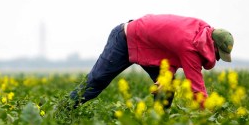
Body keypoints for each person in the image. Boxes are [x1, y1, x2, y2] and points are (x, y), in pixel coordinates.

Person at [69, 14, 234, 108]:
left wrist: (167, 75)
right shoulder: (191, 45)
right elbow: (197, 89)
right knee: (95, 82)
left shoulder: (201, 33)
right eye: (219, 54)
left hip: (148, 47)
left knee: (166, 89)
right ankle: (60, 111)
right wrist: (210, 115)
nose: (218, 59)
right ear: (212, 45)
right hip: (125, 39)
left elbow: (171, 49)